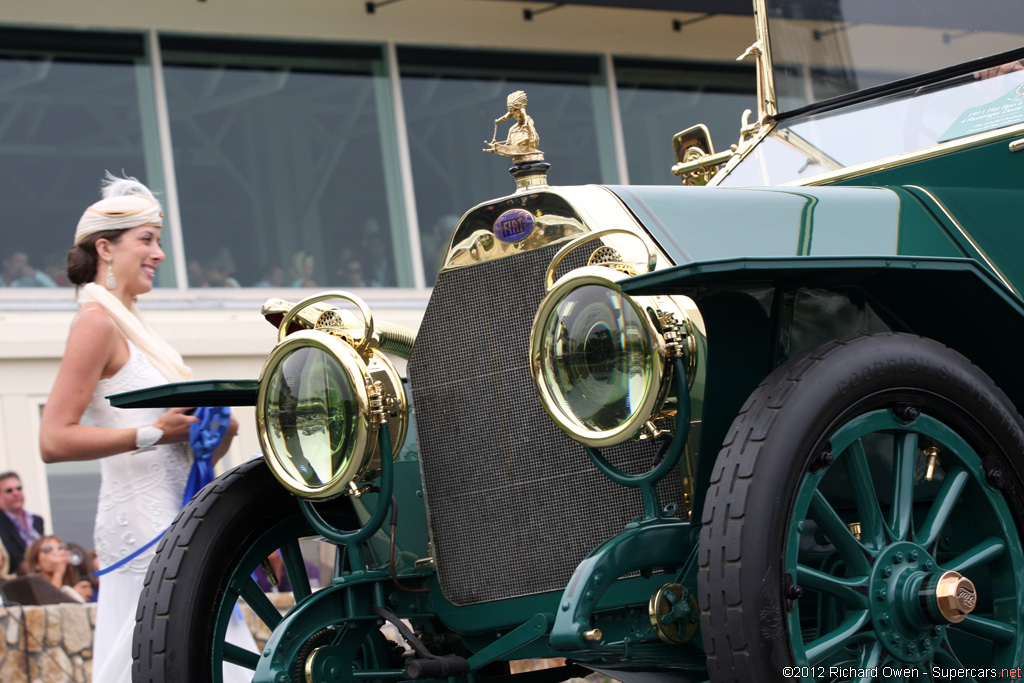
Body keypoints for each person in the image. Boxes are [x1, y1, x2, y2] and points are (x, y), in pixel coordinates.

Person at [38, 171, 252, 683]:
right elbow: (52, 438)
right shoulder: (97, 322)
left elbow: (170, 436)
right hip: (141, 526)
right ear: (106, 248)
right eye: (147, 240)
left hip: (174, 515)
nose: (158, 254)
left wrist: (210, 436)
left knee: (194, 653)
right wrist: (157, 433)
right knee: (183, 654)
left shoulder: (138, 328)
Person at [22, 535, 93, 602]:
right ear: (36, 562)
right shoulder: (30, 589)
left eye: (60, 548)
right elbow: (51, 603)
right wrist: (58, 572)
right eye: (47, 549)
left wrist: (77, 595)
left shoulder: (69, 585)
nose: (56, 552)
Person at [0, 471, 45, 575]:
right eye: (9, 490)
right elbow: (13, 558)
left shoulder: (37, 520)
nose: (16, 493)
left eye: (19, 488)